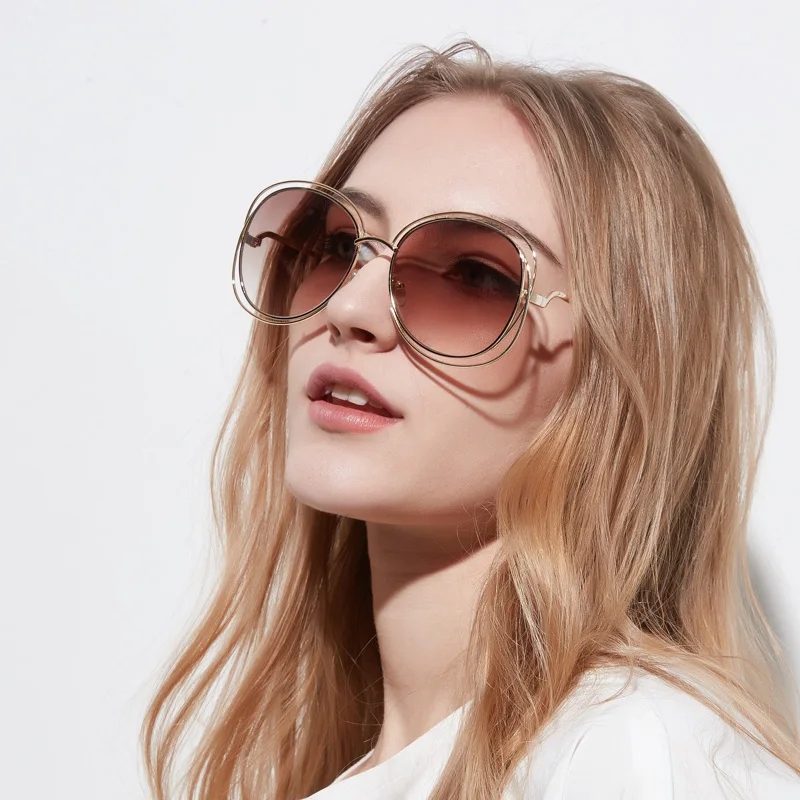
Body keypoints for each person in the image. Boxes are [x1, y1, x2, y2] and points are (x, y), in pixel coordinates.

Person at [141, 39, 800, 799]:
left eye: (475, 276)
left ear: (617, 375)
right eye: (338, 245)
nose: (349, 307)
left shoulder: (633, 752)